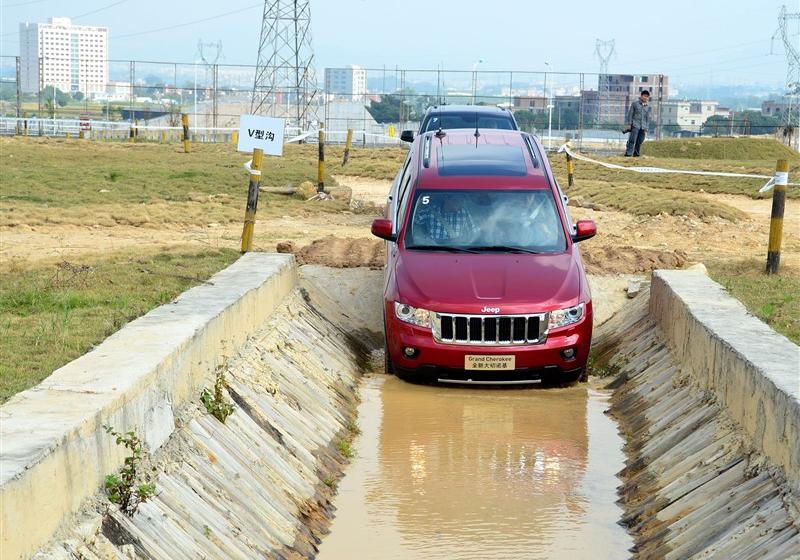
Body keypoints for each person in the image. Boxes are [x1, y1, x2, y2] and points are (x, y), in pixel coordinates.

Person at [413, 194, 477, 244]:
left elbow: (473, 231)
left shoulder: (464, 213)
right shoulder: (430, 211)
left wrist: (465, 240)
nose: (460, 204)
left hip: (457, 250)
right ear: (447, 198)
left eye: (461, 201)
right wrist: (421, 202)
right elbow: (415, 221)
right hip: (432, 249)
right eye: (457, 201)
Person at [624, 90, 651, 157]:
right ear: (641, 96)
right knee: (632, 140)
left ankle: (636, 154)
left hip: (643, 126)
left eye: (647, 97)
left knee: (640, 141)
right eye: (644, 96)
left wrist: (646, 128)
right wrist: (629, 124)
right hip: (635, 125)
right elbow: (630, 114)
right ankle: (628, 153)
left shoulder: (647, 107)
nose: (645, 98)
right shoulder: (635, 104)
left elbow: (647, 118)